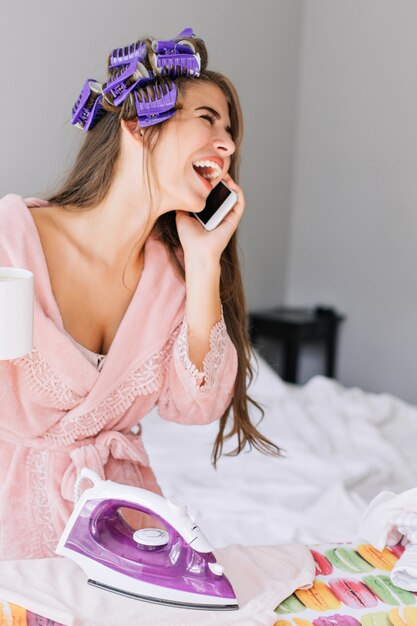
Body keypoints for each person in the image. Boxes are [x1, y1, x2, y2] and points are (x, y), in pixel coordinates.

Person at [0, 27, 280, 560]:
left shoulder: (173, 278)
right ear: (136, 123)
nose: (229, 143)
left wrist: (203, 264)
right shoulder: (11, 241)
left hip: (120, 531)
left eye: (231, 130)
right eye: (207, 119)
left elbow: (195, 406)